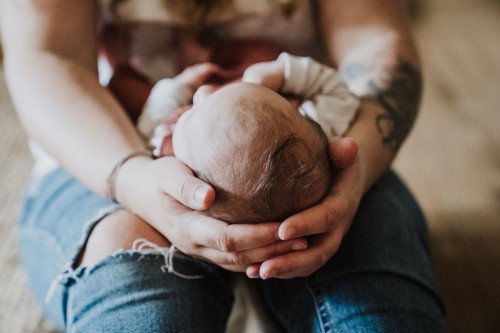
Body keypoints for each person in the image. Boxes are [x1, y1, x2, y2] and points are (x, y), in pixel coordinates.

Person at [0, 0, 448, 332]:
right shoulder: (164, 130)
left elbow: (374, 34)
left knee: (380, 315)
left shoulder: (318, 125)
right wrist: (132, 178)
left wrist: (354, 169)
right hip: (105, 143)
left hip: (314, 163)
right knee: (141, 301)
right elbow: (45, 53)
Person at [114, 52, 360, 223]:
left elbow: (147, 126)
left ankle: (118, 59)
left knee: (125, 88)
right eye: (217, 93)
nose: (203, 91)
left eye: (191, 115)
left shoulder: (167, 155)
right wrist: (282, 72)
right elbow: (340, 94)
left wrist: (176, 87)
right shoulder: (312, 129)